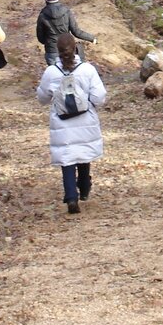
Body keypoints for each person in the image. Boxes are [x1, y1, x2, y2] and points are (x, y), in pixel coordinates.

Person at [36, 33, 108, 214]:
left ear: (57, 51)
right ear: (76, 49)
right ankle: (84, 187)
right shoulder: (87, 70)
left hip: (62, 120)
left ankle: (71, 197)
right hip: (85, 119)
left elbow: (42, 98)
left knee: (67, 157)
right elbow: (99, 97)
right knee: (82, 151)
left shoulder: (51, 72)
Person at [37, 0, 96, 66]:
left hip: (52, 51)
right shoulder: (66, 11)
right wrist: (92, 38)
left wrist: (49, 42)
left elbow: (41, 38)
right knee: (70, 74)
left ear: (46, 0)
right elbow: (76, 32)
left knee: (55, 75)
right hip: (67, 49)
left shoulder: (42, 15)